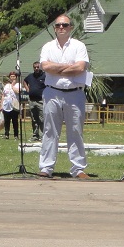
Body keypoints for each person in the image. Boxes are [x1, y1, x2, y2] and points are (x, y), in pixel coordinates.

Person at [38, 14, 90, 179]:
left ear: (71, 27)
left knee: (75, 131)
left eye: (65, 25)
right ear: (54, 28)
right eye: (58, 25)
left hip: (74, 94)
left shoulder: (79, 46)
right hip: (52, 92)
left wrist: (56, 68)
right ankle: (46, 168)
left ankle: (78, 169)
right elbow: (45, 66)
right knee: (49, 131)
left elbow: (80, 68)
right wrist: (68, 67)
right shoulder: (47, 46)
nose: (61, 28)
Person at [23, 62, 47, 141]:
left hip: (41, 101)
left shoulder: (45, 76)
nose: (36, 69)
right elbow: (24, 81)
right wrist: (27, 89)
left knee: (42, 119)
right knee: (34, 119)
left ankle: (43, 135)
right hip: (32, 101)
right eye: (35, 67)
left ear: (41, 67)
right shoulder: (30, 76)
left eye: (38, 67)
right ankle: (35, 135)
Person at [1, 71, 21, 139]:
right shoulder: (6, 85)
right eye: (11, 76)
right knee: (7, 121)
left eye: (14, 76)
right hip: (6, 105)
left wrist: (12, 85)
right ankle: (6, 134)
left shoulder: (18, 85)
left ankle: (16, 135)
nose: (12, 78)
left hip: (14, 105)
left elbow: (17, 91)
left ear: (16, 77)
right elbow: (3, 95)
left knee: (15, 121)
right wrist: (1, 105)